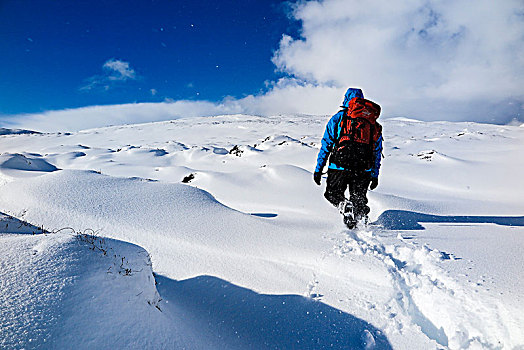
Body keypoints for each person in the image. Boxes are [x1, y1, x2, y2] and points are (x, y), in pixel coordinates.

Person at [313, 88, 383, 229]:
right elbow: (377, 151)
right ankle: (361, 225)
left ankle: (343, 205)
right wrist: (374, 175)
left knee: (332, 194)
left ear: (345, 99)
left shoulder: (338, 119)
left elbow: (326, 145)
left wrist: (318, 169)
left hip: (339, 166)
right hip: (363, 169)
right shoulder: (372, 123)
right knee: (359, 200)